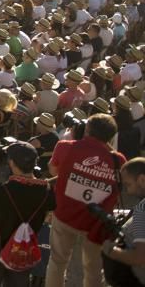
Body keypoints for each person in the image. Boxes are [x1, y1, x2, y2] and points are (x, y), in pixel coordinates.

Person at [46, 113, 126, 287]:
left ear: (86, 129)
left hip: (65, 215)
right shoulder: (118, 160)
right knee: (93, 270)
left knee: (57, 262)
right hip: (97, 224)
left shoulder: (65, 147)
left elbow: (54, 172)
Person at [0, 141, 55, 287]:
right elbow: (49, 215)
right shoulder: (47, 191)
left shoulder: (1, 189)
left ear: (11, 163)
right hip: (24, 248)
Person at [100, 157, 145, 285]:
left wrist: (111, 250)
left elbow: (140, 257)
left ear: (142, 179)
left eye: (128, 184)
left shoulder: (142, 210)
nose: (127, 191)